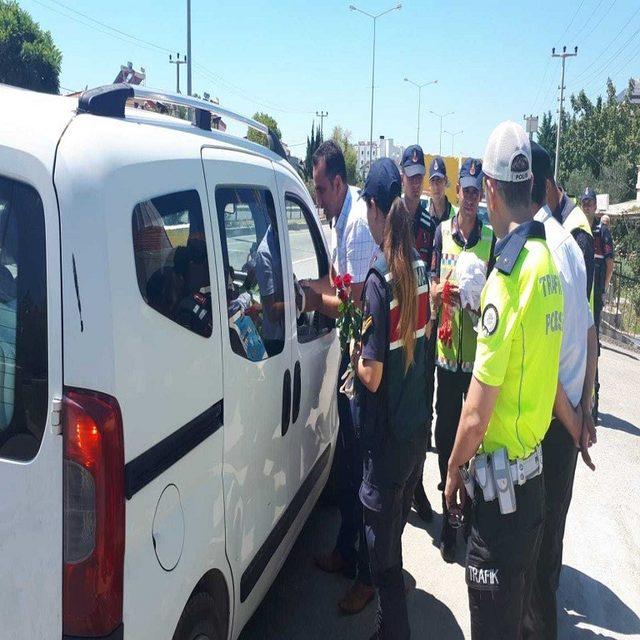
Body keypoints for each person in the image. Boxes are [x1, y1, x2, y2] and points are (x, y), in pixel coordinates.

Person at [444, 121, 564, 639]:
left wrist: (451, 470)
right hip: (533, 485)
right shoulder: (549, 266)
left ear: (490, 189)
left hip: (500, 504)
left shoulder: (508, 279)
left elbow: (475, 413)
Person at [352, 158, 431, 640]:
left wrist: (352, 355)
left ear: (378, 209)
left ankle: (393, 632)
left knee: (383, 567)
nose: (365, 213)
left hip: (384, 445)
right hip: (412, 436)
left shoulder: (380, 282)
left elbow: (374, 375)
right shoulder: (419, 270)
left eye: (366, 204)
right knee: (394, 545)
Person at [522, 142, 598, 639]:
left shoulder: (540, 253)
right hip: (567, 427)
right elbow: (591, 336)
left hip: (550, 428)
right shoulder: (569, 241)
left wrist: (574, 421)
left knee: (532, 573)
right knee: (549, 557)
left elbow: (542, 362)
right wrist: (586, 413)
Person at [303, 140, 377, 613]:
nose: (319, 201)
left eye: (321, 191)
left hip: (366, 367)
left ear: (338, 183)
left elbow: (354, 301)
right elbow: (336, 282)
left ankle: (367, 575)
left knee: (363, 475)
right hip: (351, 359)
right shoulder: (338, 220)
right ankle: (347, 552)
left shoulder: (354, 226)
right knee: (349, 469)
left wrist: (311, 301)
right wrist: (313, 290)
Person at [431, 158, 495, 563]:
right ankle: (446, 507)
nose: (470, 199)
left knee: (471, 441)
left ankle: (466, 513)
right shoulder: (442, 233)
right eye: (466, 191)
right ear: (457, 192)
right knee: (443, 437)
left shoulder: (491, 239)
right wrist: (442, 291)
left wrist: (476, 300)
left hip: (475, 360)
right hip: (445, 355)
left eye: (476, 192)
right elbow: (433, 283)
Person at [401, 144, 434, 523]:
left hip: (423, 335)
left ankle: (417, 484)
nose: (414, 183)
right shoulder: (393, 220)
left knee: (423, 410)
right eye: (409, 176)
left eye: (418, 176)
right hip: (397, 332)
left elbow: (434, 273)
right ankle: (402, 481)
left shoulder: (429, 226)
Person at [580, 187, 613, 419]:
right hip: (583, 297)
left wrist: (604, 290)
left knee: (594, 347)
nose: (588, 206)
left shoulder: (602, 232)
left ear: (595, 205)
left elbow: (609, 263)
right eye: (585, 202)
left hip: (595, 297)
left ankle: (594, 402)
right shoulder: (582, 230)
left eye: (591, 202)